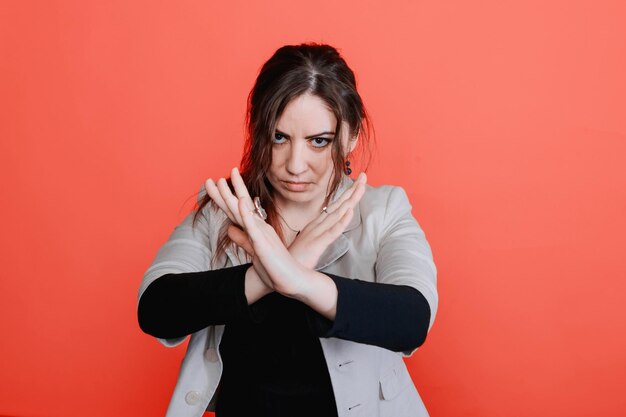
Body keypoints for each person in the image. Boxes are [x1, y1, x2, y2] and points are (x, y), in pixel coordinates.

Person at [137, 43, 438, 417]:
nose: (296, 165)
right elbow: (156, 307)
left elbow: (412, 318)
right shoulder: (225, 209)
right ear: (258, 131)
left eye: (319, 141)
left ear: (352, 136)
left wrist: (297, 279)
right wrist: (266, 274)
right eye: (280, 137)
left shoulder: (384, 210)